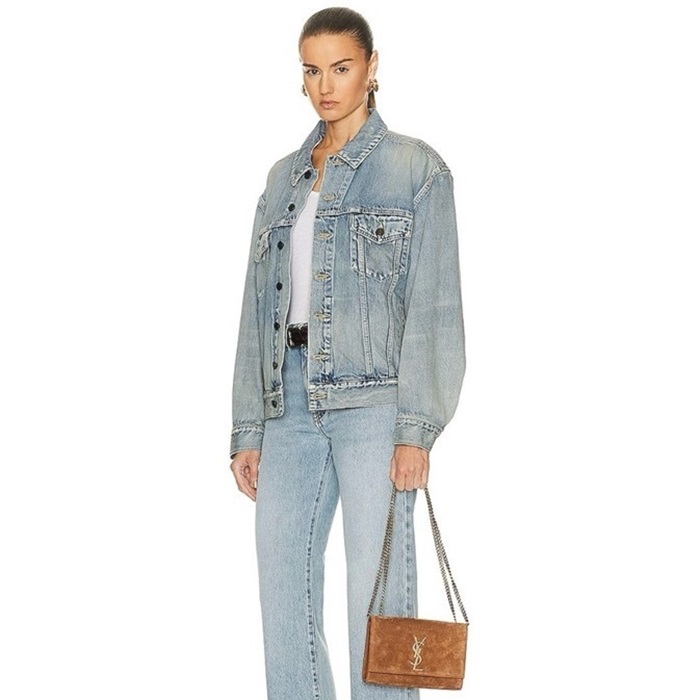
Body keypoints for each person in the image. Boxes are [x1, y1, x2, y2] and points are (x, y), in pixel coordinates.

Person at [229, 7, 465, 699]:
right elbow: (256, 308)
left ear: (371, 67)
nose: (325, 86)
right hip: (288, 401)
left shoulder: (416, 169)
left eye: (341, 67)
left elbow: (436, 308)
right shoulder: (282, 178)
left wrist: (416, 429)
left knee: (377, 593)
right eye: (312, 70)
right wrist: (249, 427)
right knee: (283, 592)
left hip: (375, 403)